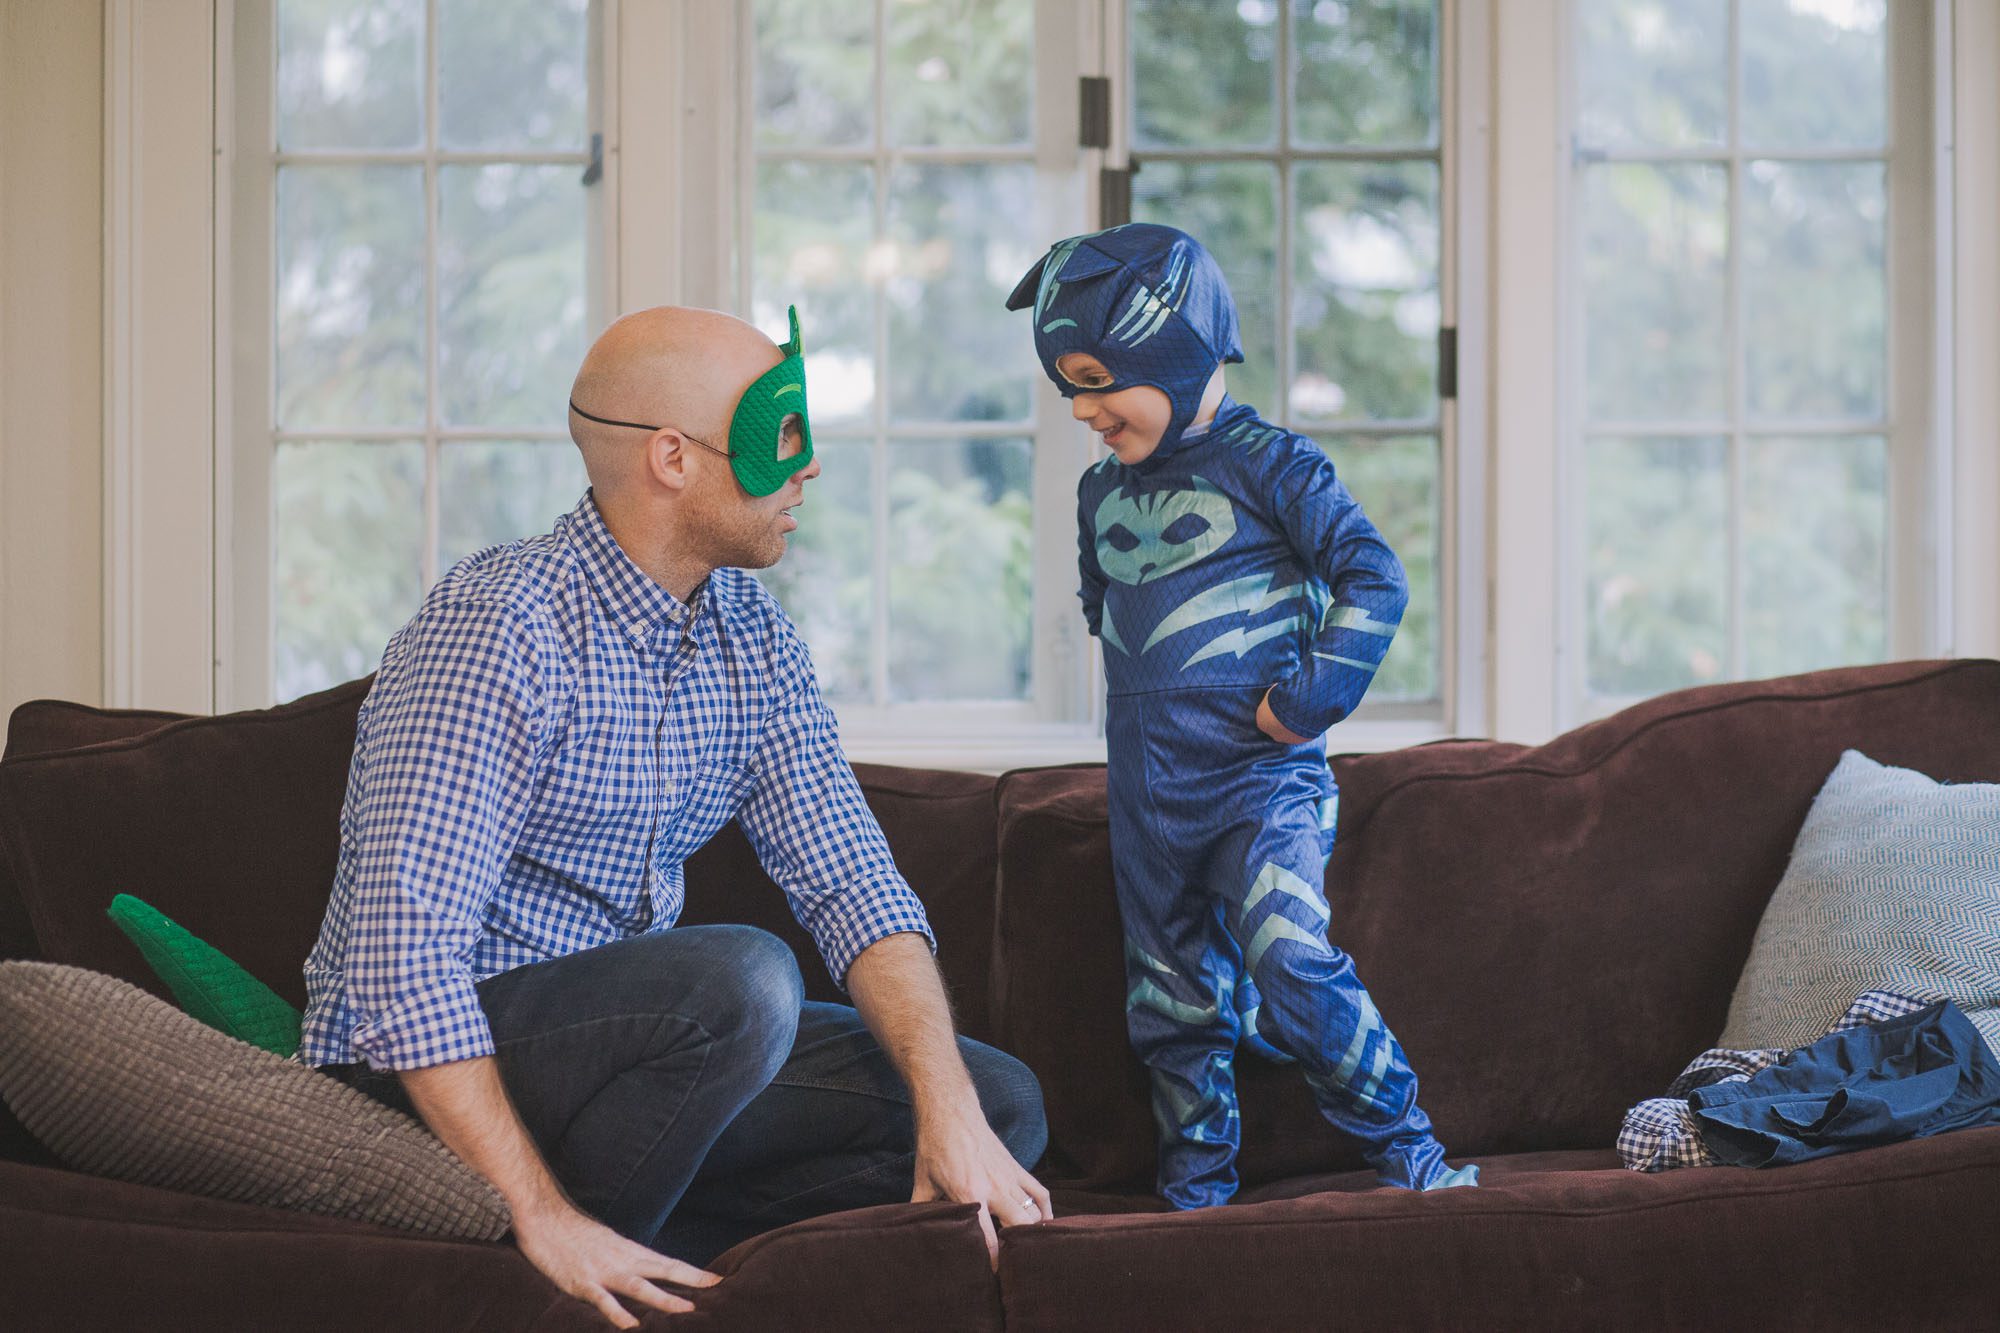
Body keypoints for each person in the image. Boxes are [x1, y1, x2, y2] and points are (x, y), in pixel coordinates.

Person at [298, 304, 1050, 1329]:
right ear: (672, 458)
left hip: (643, 1069)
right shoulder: (502, 625)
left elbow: (853, 883)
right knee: (740, 980)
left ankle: (648, 1257)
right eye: (780, 436)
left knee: (991, 1098)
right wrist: (537, 1210)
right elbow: (402, 958)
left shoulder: (753, 638)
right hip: (440, 1057)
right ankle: (545, 1262)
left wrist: (947, 1106)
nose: (808, 467)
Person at [1005, 223, 1476, 1209]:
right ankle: (1195, 1197)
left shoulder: (1272, 463)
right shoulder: (1099, 492)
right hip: (1147, 798)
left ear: (1172, 349)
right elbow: (1101, 608)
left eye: (1097, 379)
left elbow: (1373, 578)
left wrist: (1304, 701)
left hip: (1259, 784)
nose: (1084, 410)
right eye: (1067, 390)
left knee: (1289, 955)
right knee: (1167, 1007)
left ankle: (1414, 1157)